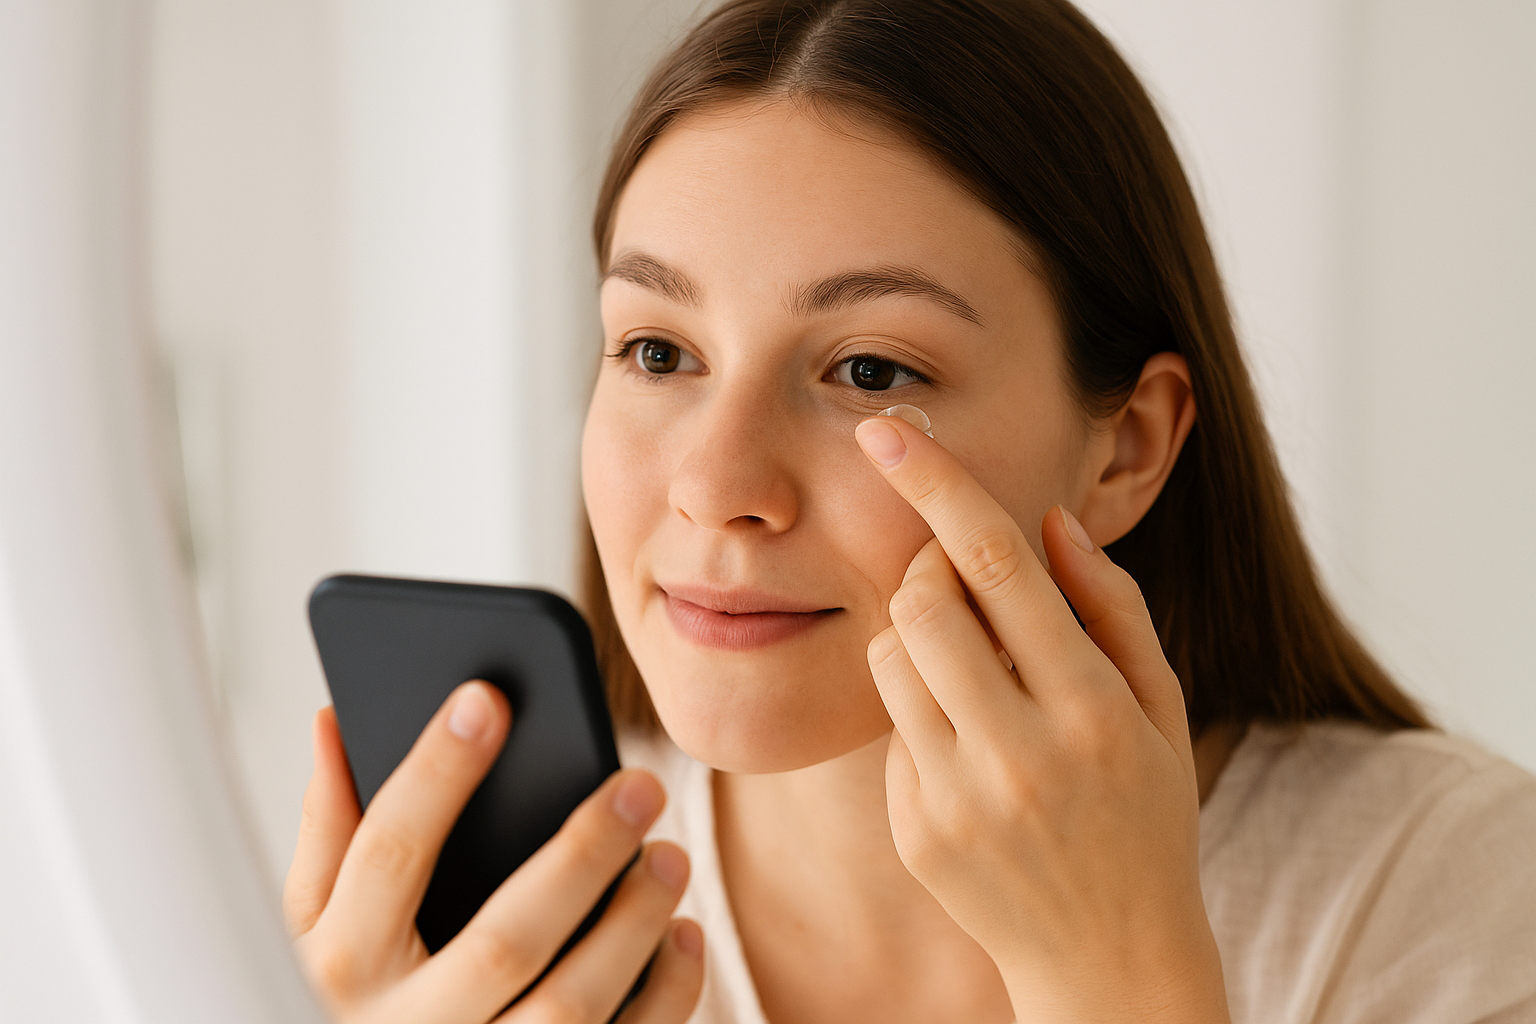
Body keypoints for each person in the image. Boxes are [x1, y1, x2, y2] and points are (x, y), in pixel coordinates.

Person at [280, 2, 1536, 1022]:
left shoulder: (1442, 900)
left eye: (871, 370)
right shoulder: (505, 922)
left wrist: (1119, 981)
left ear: (1129, 448)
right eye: (658, 351)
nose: (717, 486)